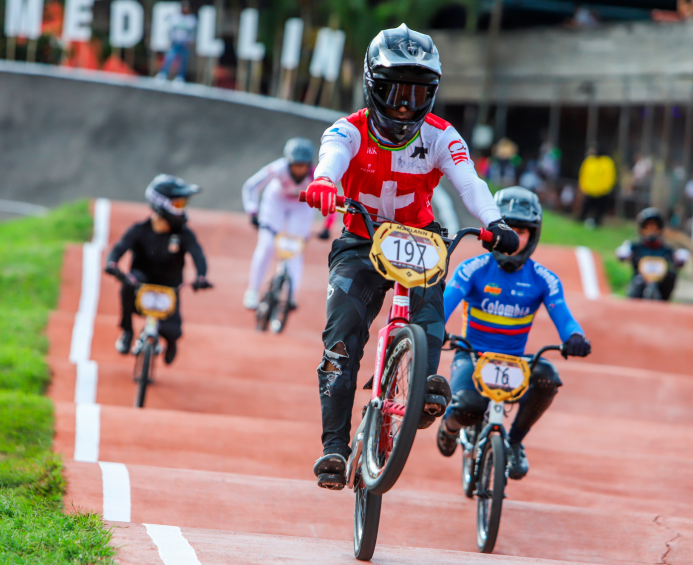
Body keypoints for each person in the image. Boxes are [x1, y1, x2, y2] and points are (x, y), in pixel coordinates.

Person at [305, 24, 520, 490]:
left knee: (429, 315)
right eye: (395, 91)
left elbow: (469, 182)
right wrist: (324, 182)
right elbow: (332, 157)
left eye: (418, 92)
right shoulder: (348, 129)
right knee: (340, 340)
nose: (405, 104)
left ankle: (421, 376)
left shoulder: (444, 136)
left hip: (422, 239)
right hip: (361, 241)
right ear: (372, 86)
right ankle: (334, 450)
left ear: (433, 94)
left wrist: (494, 220)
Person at [436, 187, 591, 479]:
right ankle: (449, 427)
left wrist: (575, 338)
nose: (515, 239)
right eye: (509, 230)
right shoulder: (472, 269)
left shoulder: (544, 279)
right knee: (469, 406)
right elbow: (442, 310)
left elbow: (565, 318)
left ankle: (515, 441)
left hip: (515, 362)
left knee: (547, 377)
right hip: (472, 356)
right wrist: (437, 329)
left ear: (534, 235)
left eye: (522, 231)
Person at [105, 175, 212, 365]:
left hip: (170, 287)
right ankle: (127, 331)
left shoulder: (183, 235)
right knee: (128, 284)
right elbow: (119, 248)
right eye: (178, 205)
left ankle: (171, 342)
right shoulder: (139, 230)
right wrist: (112, 264)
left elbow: (198, 254)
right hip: (141, 283)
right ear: (161, 205)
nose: (182, 211)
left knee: (173, 330)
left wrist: (201, 277)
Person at [242, 138, 330, 310]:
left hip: (301, 205)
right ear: (288, 163)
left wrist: (327, 227)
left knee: (295, 249)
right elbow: (251, 186)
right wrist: (252, 211)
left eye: (303, 165)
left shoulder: (316, 175)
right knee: (266, 245)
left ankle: (290, 294)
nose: (300, 169)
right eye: (296, 165)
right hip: (276, 201)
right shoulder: (278, 168)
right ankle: (252, 291)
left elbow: (330, 199)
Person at [616, 208, 689, 301]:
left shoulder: (666, 249)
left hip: (660, 283)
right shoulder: (635, 247)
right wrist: (623, 253)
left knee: (671, 276)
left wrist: (680, 258)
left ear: (659, 229)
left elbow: (678, 257)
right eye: (648, 227)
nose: (651, 230)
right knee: (637, 283)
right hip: (640, 282)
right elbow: (622, 253)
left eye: (654, 227)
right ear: (642, 229)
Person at [156, 0, 197, 83]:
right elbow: (169, 30)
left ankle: (180, 77)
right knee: (169, 59)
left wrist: (190, 42)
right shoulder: (175, 17)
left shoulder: (192, 19)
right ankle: (163, 74)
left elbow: (193, 33)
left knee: (183, 62)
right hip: (174, 43)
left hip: (185, 44)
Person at [578, 146, 616, 229]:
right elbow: (583, 175)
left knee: (599, 210)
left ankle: (597, 223)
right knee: (586, 208)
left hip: (602, 192)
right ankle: (581, 220)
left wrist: (606, 188)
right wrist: (584, 187)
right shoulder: (589, 161)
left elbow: (610, 177)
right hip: (590, 190)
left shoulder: (606, 162)